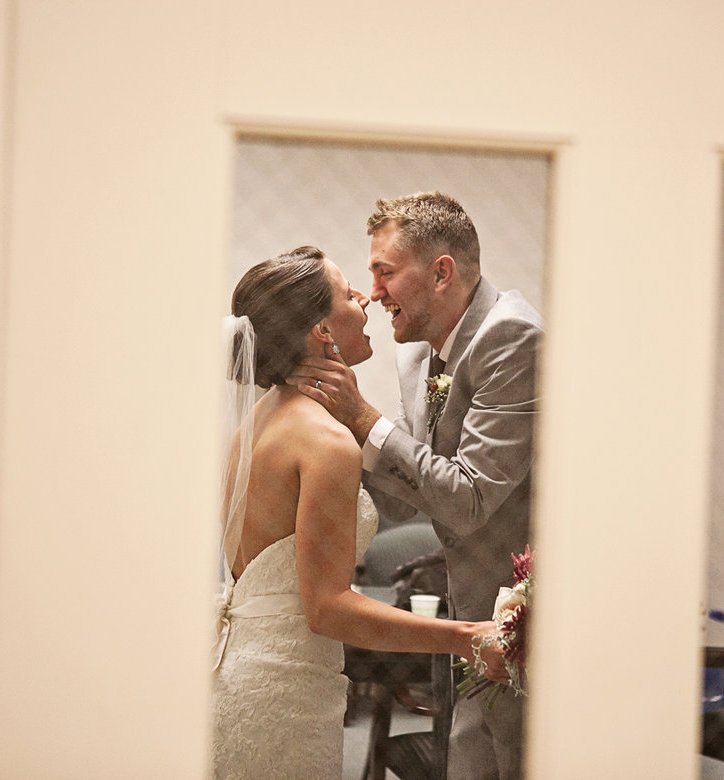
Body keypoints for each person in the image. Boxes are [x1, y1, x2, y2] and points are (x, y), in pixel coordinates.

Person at [212, 245, 505, 780]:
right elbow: (328, 609)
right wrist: (466, 636)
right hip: (283, 693)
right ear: (322, 330)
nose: (366, 298)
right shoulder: (324, 441)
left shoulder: (261, 419)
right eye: (348, 292)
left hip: (242, 674)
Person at [290, 192, 543, 779]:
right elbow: (413, 483)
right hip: (467, 611)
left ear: (441, 272)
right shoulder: (416, 359)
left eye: (384, 272)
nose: (374, 293)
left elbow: (469, 497)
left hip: (523, 622)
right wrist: (317, 457)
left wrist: (363, 420)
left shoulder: (513, 338)